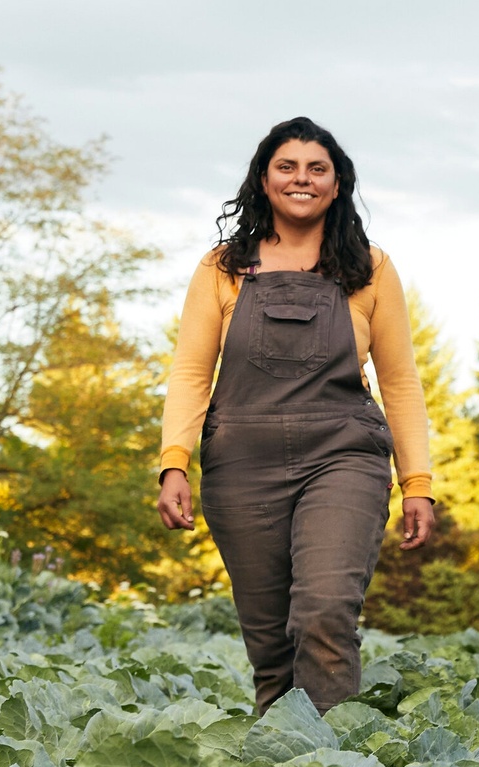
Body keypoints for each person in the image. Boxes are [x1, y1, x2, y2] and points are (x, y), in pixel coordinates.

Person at [156, 117, 435, 716]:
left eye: (317, 168)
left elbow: (401, 381)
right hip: (241, 466)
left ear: (338, 186)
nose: (301, 179)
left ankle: (337, 766)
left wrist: (418, 482)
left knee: (324, 612)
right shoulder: (223, 267)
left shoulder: (370, 268)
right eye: (287, 166)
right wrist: (173, 463)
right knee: (271, 648)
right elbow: (189, 373)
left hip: (342, 456)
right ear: (264, 179)